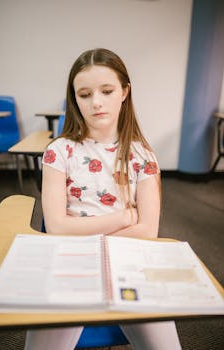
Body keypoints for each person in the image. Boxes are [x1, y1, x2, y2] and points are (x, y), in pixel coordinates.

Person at [24, 48, 182, 350]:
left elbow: (147, 231)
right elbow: (57, 227)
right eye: (84, 94)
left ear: (124, 92)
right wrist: (122, 218)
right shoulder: (59, 152)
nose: (96, 102)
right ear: (74, 99)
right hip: (70, 264)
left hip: (129, 263)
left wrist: (80, 230)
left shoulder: (142, 156)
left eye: (107, 91)